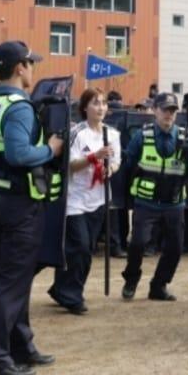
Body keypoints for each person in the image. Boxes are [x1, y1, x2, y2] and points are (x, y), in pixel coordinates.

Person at [0, 41, 64, 375]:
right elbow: (19, 154)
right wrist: (50, 148)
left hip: (0, 197)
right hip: (21, 201)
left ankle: (20, 344)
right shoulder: (19, 107)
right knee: (11, 283)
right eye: (31, 63)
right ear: (20, 68)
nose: (33, 69)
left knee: (11, 278)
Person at [121, 92, 188, 302]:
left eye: (173, 110)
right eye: (164, 109)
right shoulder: (142, 134)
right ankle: (131, 279)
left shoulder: (185, 136)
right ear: (155, 110)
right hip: (146, 201)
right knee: (137, 243)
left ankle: (159, 285)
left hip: (174, 202)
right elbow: (128, 162)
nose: (168, 114)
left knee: (175, 248)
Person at [49, 88, 120, 314]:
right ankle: (72, 295)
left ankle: (61, 287)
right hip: (75, 199)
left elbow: (117, 161)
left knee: (84, 248)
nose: (100, 107)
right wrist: (93, 157)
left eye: (103, 103)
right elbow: (69, 165)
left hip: (98, 199)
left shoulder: (113, 134)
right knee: (79, 246)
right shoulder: (78, 133)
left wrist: (111, 168)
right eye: (95, 103)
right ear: (85, 108)